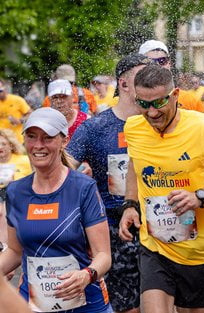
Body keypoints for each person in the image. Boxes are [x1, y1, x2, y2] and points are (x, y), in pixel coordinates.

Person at [118, 64, 204, 313]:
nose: (151, 113)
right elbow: (135, 164)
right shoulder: (133, 128)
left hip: (200, 252)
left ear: (175, 95)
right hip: (156, 247)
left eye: (158, 103)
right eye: (143, 103)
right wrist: (130, 204)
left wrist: (200, 196)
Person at [0, 107, 111, 312]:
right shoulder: (16, 191)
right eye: (31, 137)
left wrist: (87, 274)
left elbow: (103, 255)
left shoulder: (83, 187)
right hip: (34, 304)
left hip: (87, 303)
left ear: (64, 142)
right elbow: (15, 251)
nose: (38, 145)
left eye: (47, 138)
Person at [67, 54, 151, 313]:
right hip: (116, 232)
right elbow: (63, 167)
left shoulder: (158, 123)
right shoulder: (96, 127)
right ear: (124, 85)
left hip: (158, 227)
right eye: (143, 77)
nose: (151, 82)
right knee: (128, 308)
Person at [139, 39, 204, 113]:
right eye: (151, 63)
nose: (157, 66)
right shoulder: (135, 104)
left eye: (162, 61)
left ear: (169, 63)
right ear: (141, 67)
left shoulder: (190, 100)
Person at [0, 129, 32, 247]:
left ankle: (3, 245)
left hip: (18, 191)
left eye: (4, 144)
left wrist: (14, 178)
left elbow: (29, 179)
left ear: (11, 146)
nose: (0, 147)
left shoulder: (23, 160)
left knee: (3, 209)